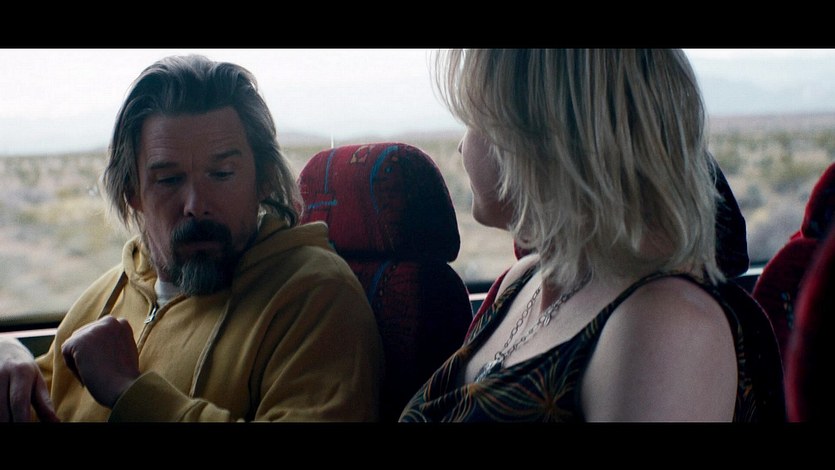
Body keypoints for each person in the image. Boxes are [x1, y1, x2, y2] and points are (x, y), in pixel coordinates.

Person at [400, 48, 783, 422]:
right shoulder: (520, 282)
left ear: (537, 138)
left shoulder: (665, 326)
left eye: (474, 120)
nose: (461, 146)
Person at [0, 54, 383, 422]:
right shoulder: (109, 294)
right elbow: (33, 394)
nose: (196, 205)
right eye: (169, 180)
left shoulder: (314, 295)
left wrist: (129, 391)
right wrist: (9, 351)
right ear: (133, 192)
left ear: (263, 178)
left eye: (222, 174)